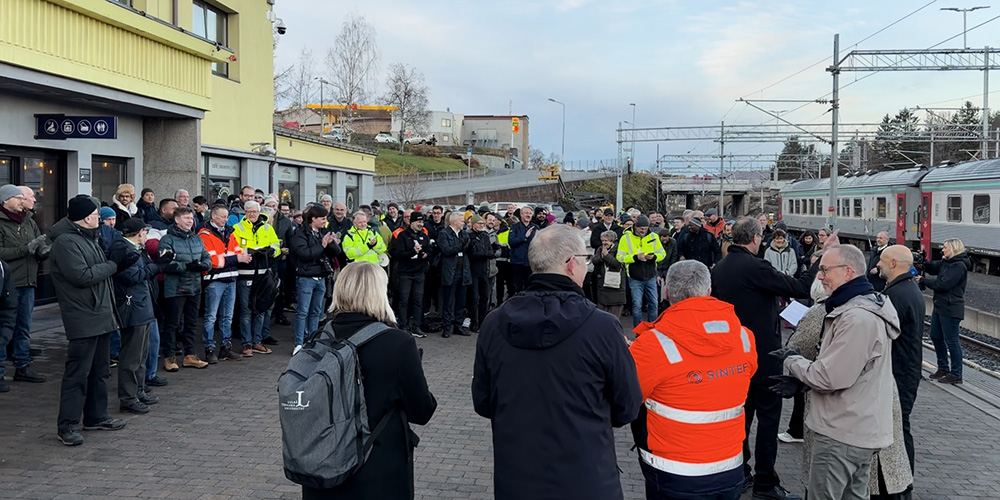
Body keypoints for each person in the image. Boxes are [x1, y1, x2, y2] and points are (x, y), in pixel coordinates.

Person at [472, 224, 642, 500]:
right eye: (586, 259)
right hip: (586, 478)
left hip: (517, 478)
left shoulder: (494, 323)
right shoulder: (603, 327)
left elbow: (483, 401)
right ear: (571, 263)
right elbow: (627, 408)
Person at [774, 244, 900, 500]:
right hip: (859, 427)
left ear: (848, 271)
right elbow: (850, 371)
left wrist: (793, 361)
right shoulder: (865, 309)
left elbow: (829, 377)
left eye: (824, 269)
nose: (819, 276)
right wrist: (803, 382)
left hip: (842, 431)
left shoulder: (856, 318)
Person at [302, 262, 436, 500]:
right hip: (377, 467)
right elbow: (422, 411)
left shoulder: (319, 338)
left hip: (323, 466)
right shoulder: (397, 342)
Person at [710, 217, 820, 500]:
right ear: (756, 238)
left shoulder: (720, 268)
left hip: (732, 355)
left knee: (740, 419)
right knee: (769, 419)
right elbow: (799, 287)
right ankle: (765, 482)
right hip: (763, 356)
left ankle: (740, 472)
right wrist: (818, 258)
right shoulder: (756, 266)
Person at [630, 260, 757, 500]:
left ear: (666, 291)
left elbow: (626, 398)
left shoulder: (651, 345)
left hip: (673, 472)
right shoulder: (744, 336)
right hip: (730, 466)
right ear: (708, 291)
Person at [50, 196, 127, 445]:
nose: (100, 219)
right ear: (85, 218)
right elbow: (82, 276)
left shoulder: (88, 238)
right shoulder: (65, 242)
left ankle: (96, 416)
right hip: (83, 316)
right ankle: (67, 426)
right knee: (77, 374)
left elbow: (98, 270)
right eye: (96, 215)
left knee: (100, 371)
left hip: (101, 313)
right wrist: (114, 264)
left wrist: (114, 263)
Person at [876, 246, 925, 478]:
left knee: (899, 428)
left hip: (898, 372)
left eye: (882, 261)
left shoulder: (897, 295)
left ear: (894, 263)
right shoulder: (909, 289)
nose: (878, 265)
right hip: (906, 370)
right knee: (900, 426)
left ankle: (902, 481)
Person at [107, 218, 162, 414]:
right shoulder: (124, 248)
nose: (146, 236)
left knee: (141, 354)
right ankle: (128, 397)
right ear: (140, 233)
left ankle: (138, 390)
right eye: (145, 232)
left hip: (142, 305)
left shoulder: (136, 249)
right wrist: (157, 266)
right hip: (132, 306)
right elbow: (131, 277)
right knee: (132, 356)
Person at [0, 184, 47, 385]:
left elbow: (37, 243)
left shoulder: (28, 220)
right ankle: (0, 372)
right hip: (7, 285)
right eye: (18, 198)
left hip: (28, 281)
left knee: (24, 327)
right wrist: (26, 249)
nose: (23, 202)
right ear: (6, 200)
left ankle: (22, 366)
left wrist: (42, 251)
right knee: (3, 328)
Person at [157, 206, 212, 370]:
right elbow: (165, 264)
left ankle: (190, 355)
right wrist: (186, 266)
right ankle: (169, 357)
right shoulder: (167, 240)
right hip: (175, 288)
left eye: (191, 218)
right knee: (172, 324)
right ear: (177, 220)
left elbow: (207, 256)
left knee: (191, 323)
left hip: (195, 286)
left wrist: (203, 265)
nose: (190, 221)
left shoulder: (196, 239)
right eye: (187, 218)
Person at [198, 205, 249, 363]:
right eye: (222, 217)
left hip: (230, 278)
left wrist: (233, 258)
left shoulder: (229, 232)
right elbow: (212, 261)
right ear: (213, 216)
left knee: (227, 317)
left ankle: (225, 348)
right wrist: (235, 259)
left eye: (226, 217)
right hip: (215, 280)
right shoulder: (204, 234)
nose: (225, 220)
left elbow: (236, 253)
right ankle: (209, 349)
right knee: (211, 317)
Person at [290, 205, 342, 353]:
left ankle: (313, 339)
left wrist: (331, 243)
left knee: (316, 311)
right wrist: (323, 244)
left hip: (321, 276)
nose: (325, 221)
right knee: (303, 312)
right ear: (314, 219)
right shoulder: (300, 234)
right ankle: (299, 343)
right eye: (323, 218)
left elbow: (336, 253)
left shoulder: (322, 233)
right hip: (306, 277)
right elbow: (305, 254)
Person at [232, 200, 281, 356]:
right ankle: (247, 344)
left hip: (263, 274)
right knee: (246, 310)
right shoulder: (237, 228)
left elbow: (276, 245)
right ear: (245, 213)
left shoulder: (267, 227)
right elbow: (235, 248)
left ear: (259, 212)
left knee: (260, 309)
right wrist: (251, 251)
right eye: (249, 212)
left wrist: (271, 251)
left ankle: (257, 341)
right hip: (245, 273)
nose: (252, 214)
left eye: (254, 211)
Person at [920, 237, 971, 385]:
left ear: (954, 249)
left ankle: (956, 374)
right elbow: (933, 268)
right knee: (936, 336)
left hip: (951, 307)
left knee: (952, 341)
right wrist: (921, 262)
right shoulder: (947, 263)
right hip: (940, 305)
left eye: (945, 247)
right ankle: (943, 368)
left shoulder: (958, 266)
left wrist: (923, 281)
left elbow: (943, 285)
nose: (942, 249)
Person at [617, 215, 666, 327]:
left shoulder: (653, 236)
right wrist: (634, 258)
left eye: (645, 228)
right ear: (636, 226)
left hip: (650, 275)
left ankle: (652, 329)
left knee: (653, 303)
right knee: (637, 305)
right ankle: (639, 331)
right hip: (634, 276)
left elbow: (662, 254)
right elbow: (620, 257)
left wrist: (653, 257)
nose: (643, 230)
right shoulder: (626, 238)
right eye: (641, 228)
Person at [389, 211, 430, 337]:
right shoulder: (402, 236)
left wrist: (426, 255)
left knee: (418, 300)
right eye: (418, 222)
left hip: (419, 272)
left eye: (422, 222)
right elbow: (397, 255)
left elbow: (430, 251)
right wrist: (413, 252)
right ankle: (403, 325)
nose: (421, 224)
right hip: (405, 273)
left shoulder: (424, 235)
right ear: (411, 222)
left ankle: (416, 326)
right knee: (404, 300)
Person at [438, 212, 472, 338]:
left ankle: (458, 325)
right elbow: (446, 251)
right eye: (461, 221)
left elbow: (468, 247)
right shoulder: (444, 234)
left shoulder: (463, 234)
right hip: (451, 271)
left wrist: (465, 245)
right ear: (454, 222)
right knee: (449, 301)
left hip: (463, 270)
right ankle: (447, 327)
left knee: (461, 301)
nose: (463, 223)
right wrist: (460, 246)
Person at [467, 214, 495, 333]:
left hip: (484, 270)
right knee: (474, 298)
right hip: (473, 271)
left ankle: (483, 321)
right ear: (473, 224)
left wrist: (485, 253)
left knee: (484, 297)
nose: (481, 226)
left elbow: (490, 251)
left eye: (482, 224)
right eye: (479, 224)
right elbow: (472, 254)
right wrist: (484, 253)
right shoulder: (469, 236)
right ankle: (474, 322)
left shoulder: (485, 236)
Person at [592, 230, 627, 317]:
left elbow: (618, 264)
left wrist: (607, 256)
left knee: (614, 315)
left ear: (612, 241)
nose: (604, 243)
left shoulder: (619, 249)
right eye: (603, 240)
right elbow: (595, 261)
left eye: (606, 240)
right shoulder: (600, 249)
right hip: (603, 285)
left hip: (616, 285)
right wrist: (601, 256)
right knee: (601, 315)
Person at [508, 206, 538, 293]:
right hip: (518, 262)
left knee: (529, 287)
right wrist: (524, 237)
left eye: (530, 213)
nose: (528, 215)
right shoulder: (515, 227)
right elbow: (511, 242)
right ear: (521, 215)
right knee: (517, 287)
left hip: (530, 262)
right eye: (526, 213)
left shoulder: (535, 227)